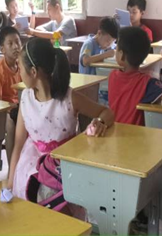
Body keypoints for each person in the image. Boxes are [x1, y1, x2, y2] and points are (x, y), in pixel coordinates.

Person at [6, 38, 114, 208]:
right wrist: (10, 181)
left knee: (61, 210)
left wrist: (100, 121)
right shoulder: (26, 98)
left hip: (64, 164)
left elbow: (107, 112)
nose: (19, 72)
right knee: (32, 206)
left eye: (20, 68)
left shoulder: (69, 98)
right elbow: (18, 144)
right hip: (31, 164)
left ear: (33, 72)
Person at [110, 27, 162, 125]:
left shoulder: (112, 76)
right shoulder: (147, 82)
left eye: (117, 47)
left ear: (122, 55)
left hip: (114, 129)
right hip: (136, 133)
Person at [0, 26, 22, 163]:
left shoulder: (22, 66)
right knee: (9, 123)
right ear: (2, 49)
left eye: (18, 42)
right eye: (10, 44)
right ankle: (12, 167)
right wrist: (14, 107)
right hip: (3, 111)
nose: (16, 47)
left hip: (18, 107)